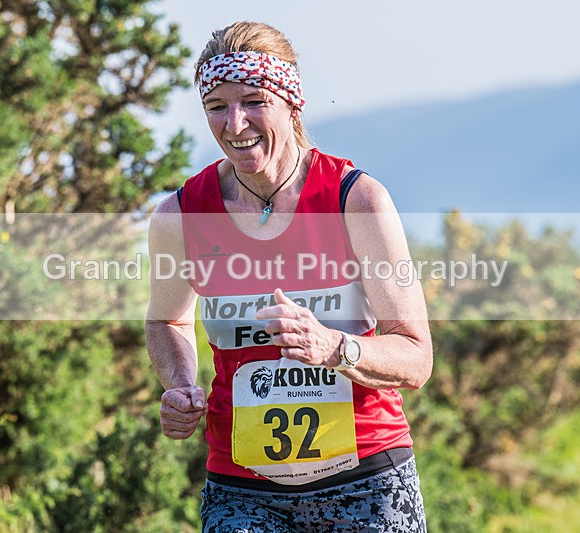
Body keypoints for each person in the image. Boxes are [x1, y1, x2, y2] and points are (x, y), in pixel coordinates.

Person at [146, 21, 433, 533]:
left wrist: (333, 347)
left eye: (253, 101)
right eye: (216, 106)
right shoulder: (182, 215)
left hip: (367, 481)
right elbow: (167, 320)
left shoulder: (356, 200)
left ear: (291, 102)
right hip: (241, 488)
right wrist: (180, 385)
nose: (235, 125)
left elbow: (415, 357)